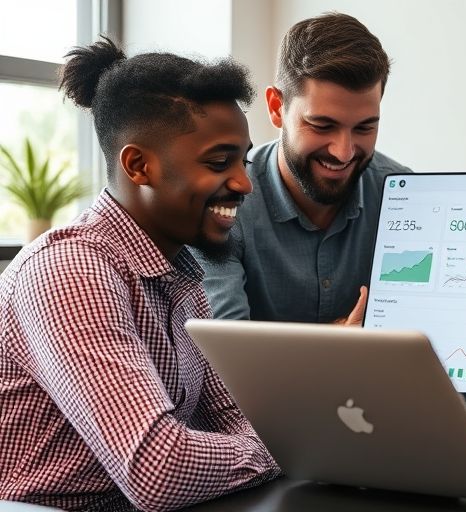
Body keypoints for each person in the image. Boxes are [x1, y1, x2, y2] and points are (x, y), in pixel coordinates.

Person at [0, 38, 279, 510]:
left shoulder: (181, 269)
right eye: (219, 162)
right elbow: (159, 469)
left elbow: (231, 413)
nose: (244, 183)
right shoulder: (70, 269)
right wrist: (280, 451)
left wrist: (280, 441)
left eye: (243, 160)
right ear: (138, 166)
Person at [198, 12, 412, 324]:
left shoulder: (405, 198)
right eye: (322, 126)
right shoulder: (222, 204)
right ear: (276, 108)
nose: (343, 152)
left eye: (364, 128)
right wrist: (338, 343)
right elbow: (224, 348)